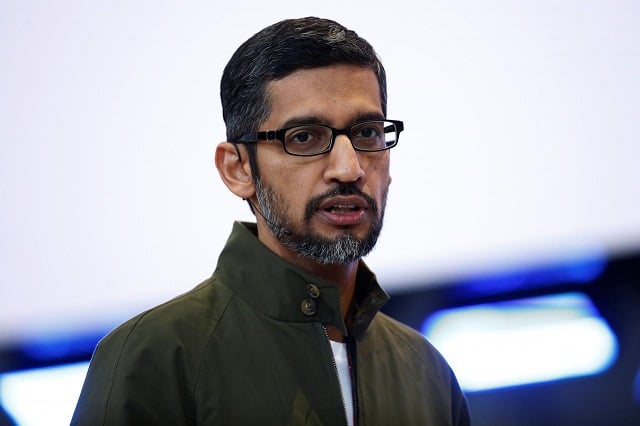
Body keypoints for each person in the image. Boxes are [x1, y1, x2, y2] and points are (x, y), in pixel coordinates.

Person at [71, 17, 470, 425]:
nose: (349, 169)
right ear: (238, 169)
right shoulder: (154, 359)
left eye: (367, 133)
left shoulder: (427, 372)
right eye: (304, 137)